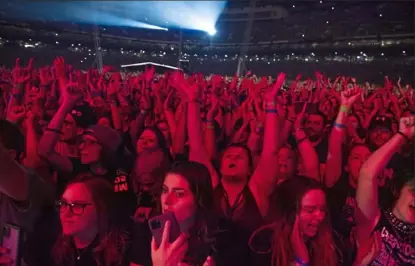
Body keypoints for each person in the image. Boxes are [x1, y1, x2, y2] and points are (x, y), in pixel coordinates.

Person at [24, 175, 131, 266]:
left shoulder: (123, 248)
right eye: (64, 204)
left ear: (101, 209)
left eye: (77, 206)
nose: (66, 213)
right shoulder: (52, 236)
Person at [129, 161, 221, 266]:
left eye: (178, 194)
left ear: (198, 199)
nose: (166, 200)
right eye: (165, 190)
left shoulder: (223, 238)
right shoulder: (146, 235)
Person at [355, 116, 415, 265]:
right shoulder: (375, 220)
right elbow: (367, 174)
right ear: (397, 191)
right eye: (414, 191)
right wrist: (401, 135)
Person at [249, 176, 342, 266]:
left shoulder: (332, 242)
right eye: (310, 210)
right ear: (290, 213)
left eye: (322, 209)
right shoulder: (265, 242)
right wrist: (301, 262)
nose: (320, 216)